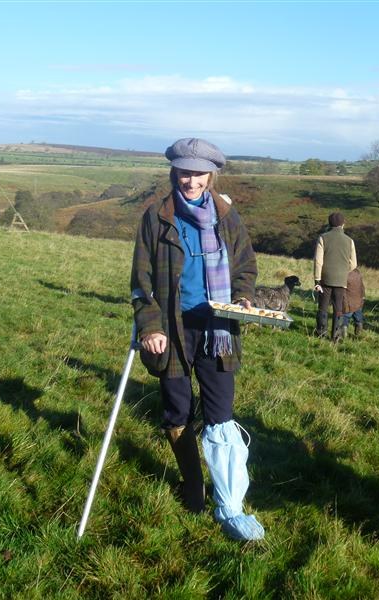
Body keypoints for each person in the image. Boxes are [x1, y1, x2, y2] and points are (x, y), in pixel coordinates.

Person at [130, 137, 264, 541]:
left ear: (211, 175)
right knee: (177, 410)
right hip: (171, 329)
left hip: (218, 329)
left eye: (199, 174)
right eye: (185, 173)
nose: (191, 181)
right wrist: (150, 326)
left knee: (220, 413)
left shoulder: (228, 217)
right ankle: (192, 483)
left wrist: (243, 296)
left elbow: (245, 266)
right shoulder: (156, 217)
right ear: (175, 173)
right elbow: (141, 281)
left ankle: (230, 504)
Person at [313, 212, 357, 342]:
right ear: (343, 224)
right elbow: (354, 264)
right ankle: (336, 337)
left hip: (325, 279)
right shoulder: (350, 241)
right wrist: (343, 271)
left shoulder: (323, 238)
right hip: (341, 280)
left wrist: (317, 280)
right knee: (338, 309)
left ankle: (321, 334)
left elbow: (318, 261)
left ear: (329, 223)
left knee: (323, 307)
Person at [341, 267, 365, 337]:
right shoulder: (358, 273)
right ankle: (358, 334)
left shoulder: (344, 274)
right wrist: (363, 297)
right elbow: (362, 287)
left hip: (348, 303)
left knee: (345, 318)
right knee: (358, 318)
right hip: (358, 301)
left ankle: (344, 334)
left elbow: (342, 289)